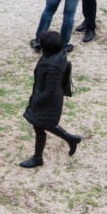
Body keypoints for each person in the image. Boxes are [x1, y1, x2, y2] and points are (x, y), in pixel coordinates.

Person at [20, 30, 81, 168]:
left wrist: (36, 100)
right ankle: (69, 140)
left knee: (42, 125)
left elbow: (50, 90)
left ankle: (38, 157)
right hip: (47, 100)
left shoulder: (52, 66)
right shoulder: (57, 56)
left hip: (48, 102)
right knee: (41, 125)